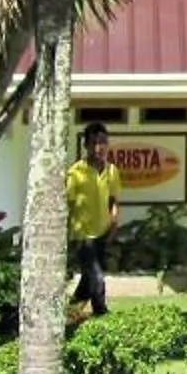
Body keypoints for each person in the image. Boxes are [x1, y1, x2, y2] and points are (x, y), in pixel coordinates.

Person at [66, 124, 124, 318]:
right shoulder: (75, 172)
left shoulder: (112, 171)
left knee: (87, 279)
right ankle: (101, 311)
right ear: (86, 145)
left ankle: (69, 312)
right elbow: (67, 204)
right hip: (82, 234)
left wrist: (114, 223)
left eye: (103, 142)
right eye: (94, 143)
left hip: (104, 232)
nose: (99, 147)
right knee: (97, 276)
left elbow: (113, 200)